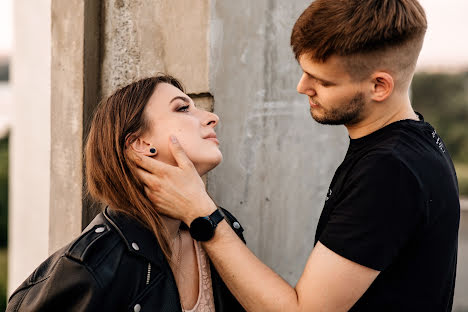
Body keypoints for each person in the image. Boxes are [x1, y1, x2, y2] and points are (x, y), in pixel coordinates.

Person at [129, 0, 460, 311]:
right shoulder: (414, 139)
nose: (303, 87)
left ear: (379, 87)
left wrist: (201, 214)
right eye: (304, 71)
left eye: (322, 81)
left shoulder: (390, 170)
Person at [6, 75, 246, 311]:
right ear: (139, 144)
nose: (212, 118)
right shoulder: (92, 265)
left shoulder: (222, 228)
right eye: (183, 108)